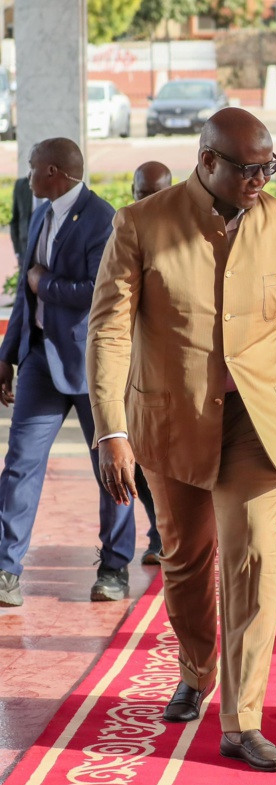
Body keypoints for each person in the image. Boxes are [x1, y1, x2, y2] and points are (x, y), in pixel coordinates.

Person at [86, 107, 276, 773]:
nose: (260, 179)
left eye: (268, 167)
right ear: (207, 162)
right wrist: (110, 428)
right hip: (169, 422)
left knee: (251, 558)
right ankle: (196, 666)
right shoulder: (143, 224)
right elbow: (109, 330)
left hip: (259, 422)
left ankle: (242, 720)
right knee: (186, 559)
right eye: (248, 168)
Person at [0, 138, 136, 608]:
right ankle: (6, 568)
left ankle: (115, 567)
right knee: (20, 464)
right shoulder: (41, 211)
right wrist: (7, 354)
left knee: (111, 469)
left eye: (34, 166)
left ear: (54, 172)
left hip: (91, 362)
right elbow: (25, 296)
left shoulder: (103, 219)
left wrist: (44, 282)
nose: (29, 174)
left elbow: (99, 291)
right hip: (39, 358)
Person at [129, 161, 173, 565]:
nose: (153, 202)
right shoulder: (126, 232)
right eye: (145, 195)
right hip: (138, 374)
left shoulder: (188, 233)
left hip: (181, 377)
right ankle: (159, 531)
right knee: (141, 466)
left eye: (161, 193)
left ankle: (173, 532)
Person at [9, 176, 38, 263]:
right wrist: (18, 251)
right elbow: (15, 220)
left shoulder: (57, 185)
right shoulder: (21, 185)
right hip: (25, 251)